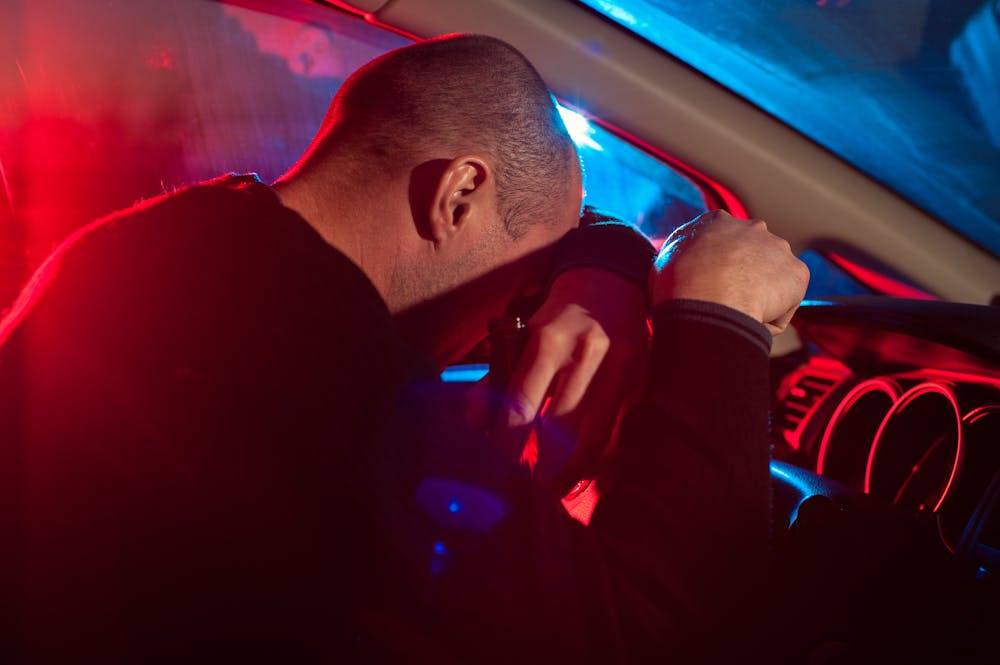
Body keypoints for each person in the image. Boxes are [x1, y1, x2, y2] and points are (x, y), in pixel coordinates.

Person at [0, 34, 808, 662]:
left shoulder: (167, 247)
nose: (514, 320)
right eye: (524, 284)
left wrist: (599, 265)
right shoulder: (327, 384)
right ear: (457, 194)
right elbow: (641, 635)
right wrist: (718, 315)